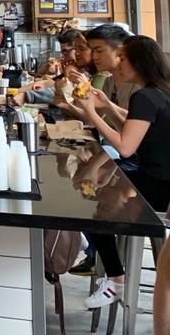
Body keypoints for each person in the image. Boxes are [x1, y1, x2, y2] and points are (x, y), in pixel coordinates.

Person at [75, 36, 170, 308]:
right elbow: (132, 131)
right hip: (161, 182)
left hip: (157, 187)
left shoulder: (143, 96)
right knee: (100, 191)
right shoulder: (159, 91)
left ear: (140, 62)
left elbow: (126, 147)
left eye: (123, 58)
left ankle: (115, 279)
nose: (118, 63)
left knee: (91, 207)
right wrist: (107, 105)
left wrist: (92, 113)